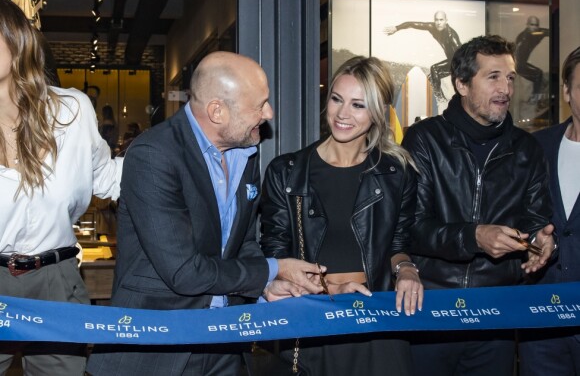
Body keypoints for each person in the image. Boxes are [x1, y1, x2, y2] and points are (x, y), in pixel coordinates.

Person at [87, 51, 323, 376]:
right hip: (160, 347)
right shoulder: (154, 155)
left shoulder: (245, 153)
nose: (268, 113)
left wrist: (266, 286)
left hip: (226, 343)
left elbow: (241, 244)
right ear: (217, 111)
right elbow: (184, 272)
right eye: (259, 105)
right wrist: (274, 269)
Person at [402, 35, 556, 376]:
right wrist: (474, 237)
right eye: (493, 76)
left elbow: (535, 222)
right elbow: (411, 227)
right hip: (430, 307)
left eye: (511, 77)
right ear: (461, 84)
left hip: (496, 315)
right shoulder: (425, 139)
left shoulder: (527, 149)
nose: (505, 88)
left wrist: (540, 243)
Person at [260, 55, 422, 375]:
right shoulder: (287, 172)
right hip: (312, 317)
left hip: (377, 319)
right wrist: (329, 290)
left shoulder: (396, 172)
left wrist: (406, 270)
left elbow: (399, 243)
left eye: (358, 105)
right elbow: (275, 255)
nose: (342, 113)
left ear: (377, 112)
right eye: (336, 99)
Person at [0, 0, 123, 375]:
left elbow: (109, 178)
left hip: (57, 279)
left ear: (16, 40)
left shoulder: (70, 111)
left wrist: (179, 153)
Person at [518, 46, 580, 376]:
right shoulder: (537, 146)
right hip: (542, 317)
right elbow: (519, 217)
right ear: (567, 92)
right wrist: (536, 241)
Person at [384, 11, 461, 101]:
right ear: (434, 21)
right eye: (436, 20)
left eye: (441, 20)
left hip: (457, 63)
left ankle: (440, 99)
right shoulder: (432, 27)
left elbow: (461, 55)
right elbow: (412, 24)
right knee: (430, 78)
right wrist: (397, 28)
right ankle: (437, 100)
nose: (439, 23)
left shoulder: (452, 35)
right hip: (450, 63)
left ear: (446, 21)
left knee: (434, 69)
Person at [514, 15, 550, 103]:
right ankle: (535, 98)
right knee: (538, 74)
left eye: (536, 25)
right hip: (518, 64)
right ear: (527, 25)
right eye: (532, 25)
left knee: (540, 76)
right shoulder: (524, 36)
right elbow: (518, 55)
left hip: (521, 63)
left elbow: (548, 31)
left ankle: (537, 97)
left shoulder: (538, 32)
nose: (534, 27)